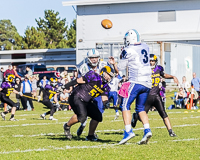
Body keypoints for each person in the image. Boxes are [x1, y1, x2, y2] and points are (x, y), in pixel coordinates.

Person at [109, 29, 152, 145]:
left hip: (136, 81)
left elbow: (121, 68)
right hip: (147, 82)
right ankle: (147, 129)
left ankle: (128, 131)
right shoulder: (145, 46)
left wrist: (115, 63)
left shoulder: (127, 50)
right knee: (140, 108)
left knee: (124, 104)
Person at [131, 54, 179, 137]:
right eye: (149, 61)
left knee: (163, 114)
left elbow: (164, 75)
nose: (151, 62)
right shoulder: (144, 69)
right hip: (146, 96)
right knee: (141, 116)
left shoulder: (159, 69)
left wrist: (172, 76)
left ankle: (171, 131)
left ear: (155, 62)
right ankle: (135, 116)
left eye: (152, 61)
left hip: (156, 96)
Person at [63, 66, 113, 141]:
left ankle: (90, 136)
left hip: (87, 101)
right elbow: (78, 80)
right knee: (82, 117)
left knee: (98, 116)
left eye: (111, 76)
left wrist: (106, 103)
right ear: (103, 72)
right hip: (77, 96)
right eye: (108, 74)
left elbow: (104, 97)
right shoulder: (94, 76)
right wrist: (65, 86)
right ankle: (67, 126)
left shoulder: (105, 86)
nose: (109, 77)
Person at [76, 49, 109, 137]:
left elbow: (112, 73)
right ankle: (72, 125)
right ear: (88, 59)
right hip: (86, 92)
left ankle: (91, 133)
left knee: (99, 113)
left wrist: (113, 65)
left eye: (96, 57)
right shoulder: (84, 67)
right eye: (92, 57)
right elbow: (80, 81)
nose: (94, 59)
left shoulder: (103, 65)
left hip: (99, 92)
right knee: (82, 113)